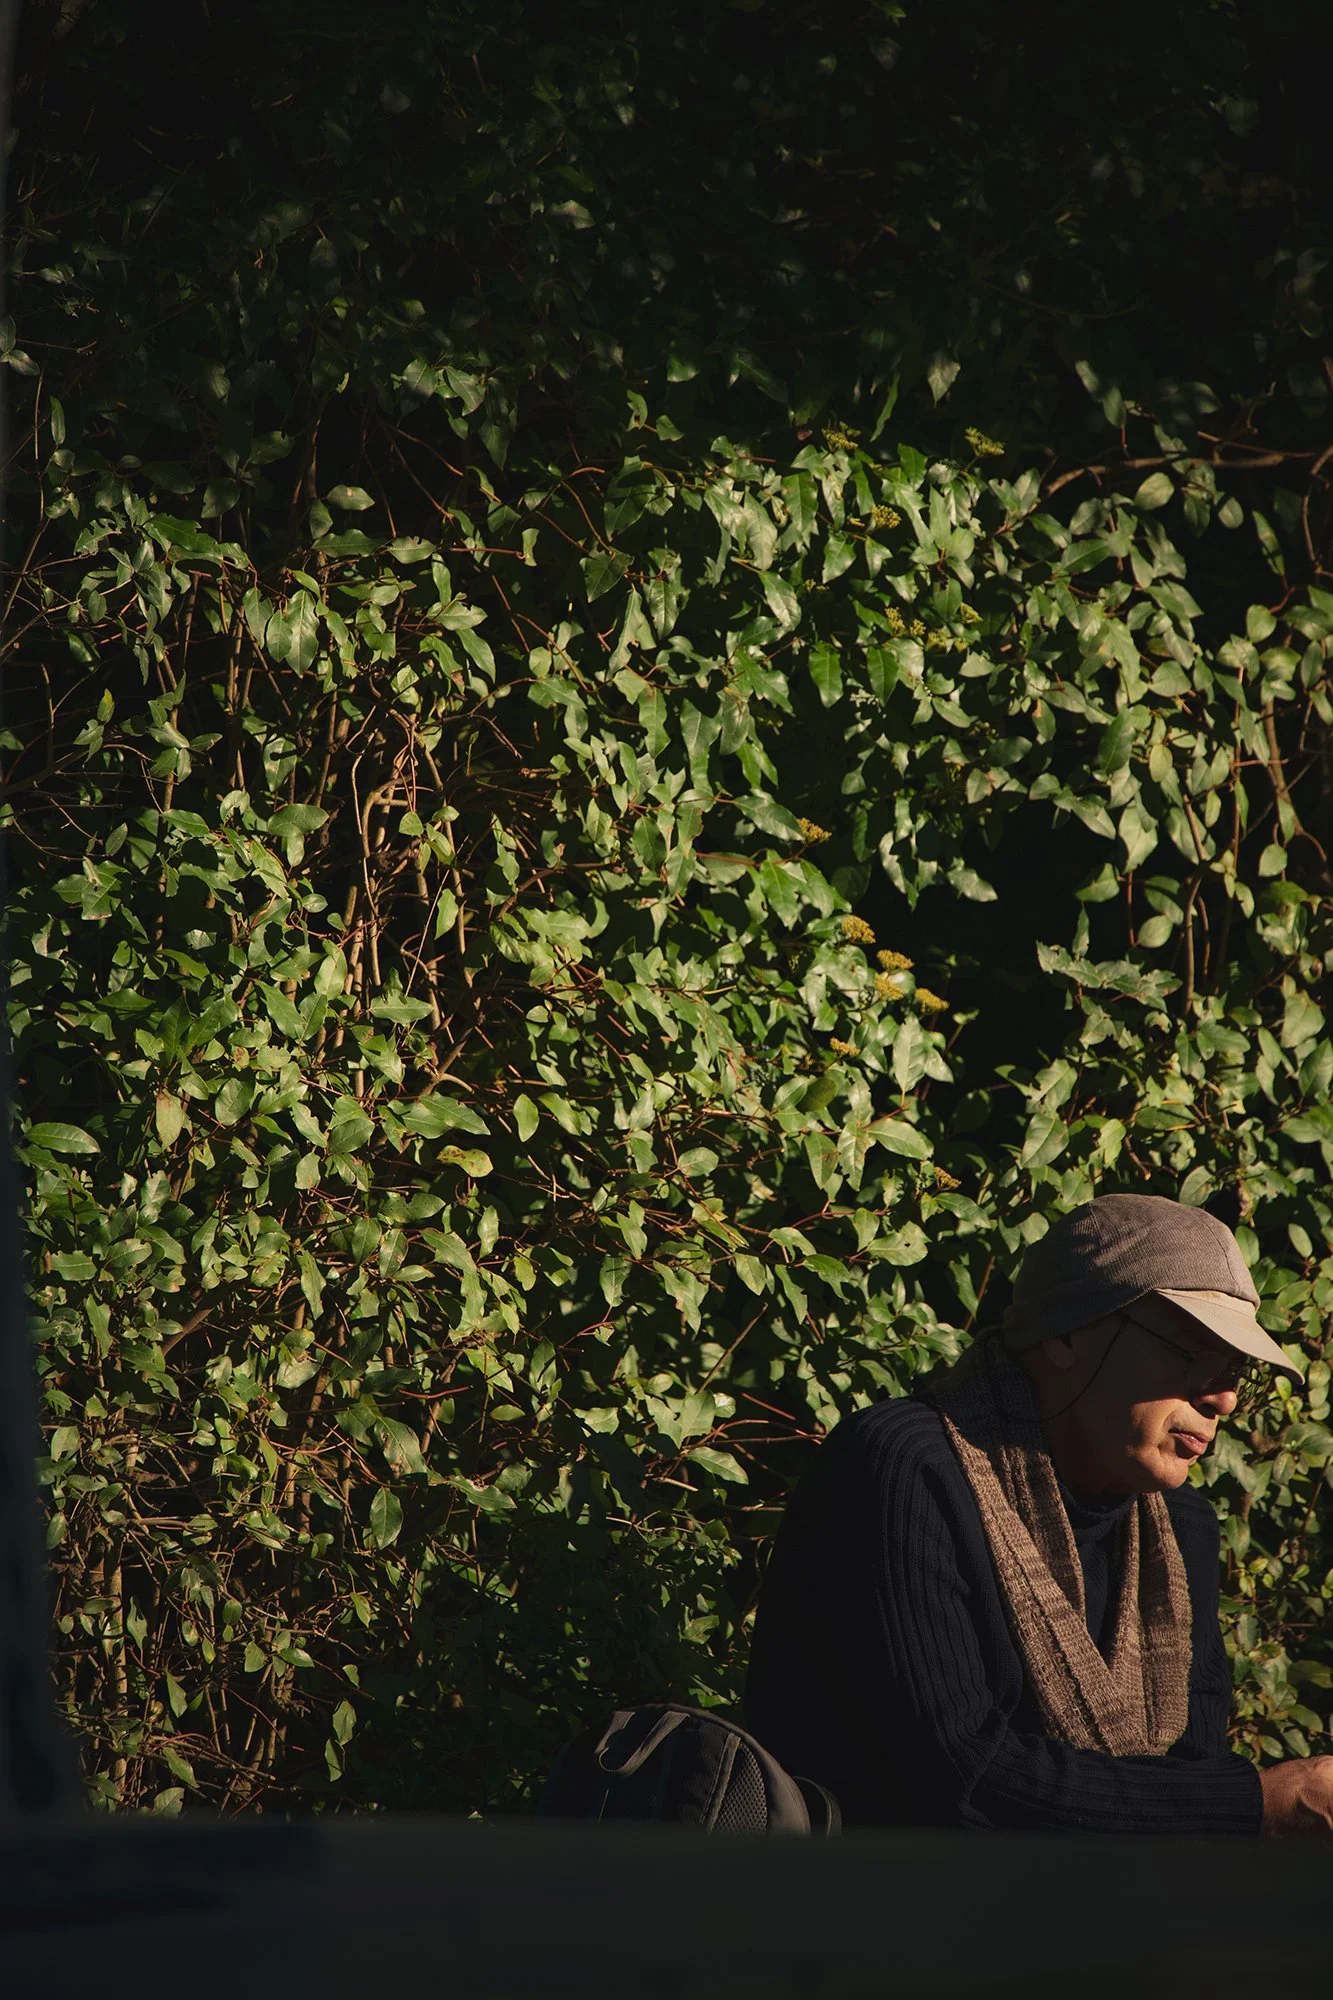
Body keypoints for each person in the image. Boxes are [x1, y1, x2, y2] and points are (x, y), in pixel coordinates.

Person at [745, 1193, 1333, 1835]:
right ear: (1067, 1335)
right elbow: (959, 1778)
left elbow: (1192, 1774)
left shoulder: (1182, 1527)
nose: (1221, 1397)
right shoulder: (906, 1466)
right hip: (876, 1917)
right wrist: (1254, 1803)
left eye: (1236, 1369)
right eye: (1194, 1351)